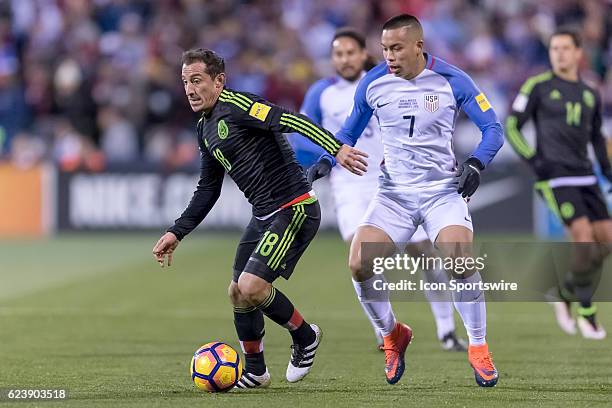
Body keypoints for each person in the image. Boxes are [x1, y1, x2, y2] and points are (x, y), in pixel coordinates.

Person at [152, 48, 367, 390]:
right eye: (185, 82)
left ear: (218, 81)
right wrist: (176, 232)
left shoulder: (239, 106)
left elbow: (292, 120)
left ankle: (305, 335)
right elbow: (208, 188)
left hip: (293, 208)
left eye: (197, 81)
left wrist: (337, 149)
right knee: (238, 292)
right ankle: (256, 372)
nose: (190, 90)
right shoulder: (204, 128)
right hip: (263, 215)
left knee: (253, 287)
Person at [309, 14, 504, 386]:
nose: (389, 57)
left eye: (396, 48)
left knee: (458, 258)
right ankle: (392, 335)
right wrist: (325, 159)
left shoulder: (452, 79)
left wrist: (477, 164)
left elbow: (492, 128)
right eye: (384, 49)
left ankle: (478, 347)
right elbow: (349, 129)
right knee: (358, 263)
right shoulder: (374, 81)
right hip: (394, 194)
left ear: (418, 46)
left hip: (441, 192)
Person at [290, 27, 466, 352]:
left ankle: (446, 330)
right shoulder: (321, 92)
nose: (343, 59)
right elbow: (303, 133)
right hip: (348, 186)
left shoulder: (385, 80)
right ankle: (385, 333)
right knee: (363, 258)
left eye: (349, 53)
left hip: (392, 182)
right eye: (337, 54)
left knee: (426, 254)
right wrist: (321, 160)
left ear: (362, 54)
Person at [506, 28, 611, 340]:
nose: (559, 54)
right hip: (556, 177)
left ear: (578, 53)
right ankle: (588, 311)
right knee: (582, 238)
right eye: (554, 48)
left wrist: (608, 173)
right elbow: (512, 126)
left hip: (586, 176)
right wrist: (536, 161)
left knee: (604, 243)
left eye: (565, 48)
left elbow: (596, 137)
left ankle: (564, 292)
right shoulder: (537, 86)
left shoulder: (590, 92)